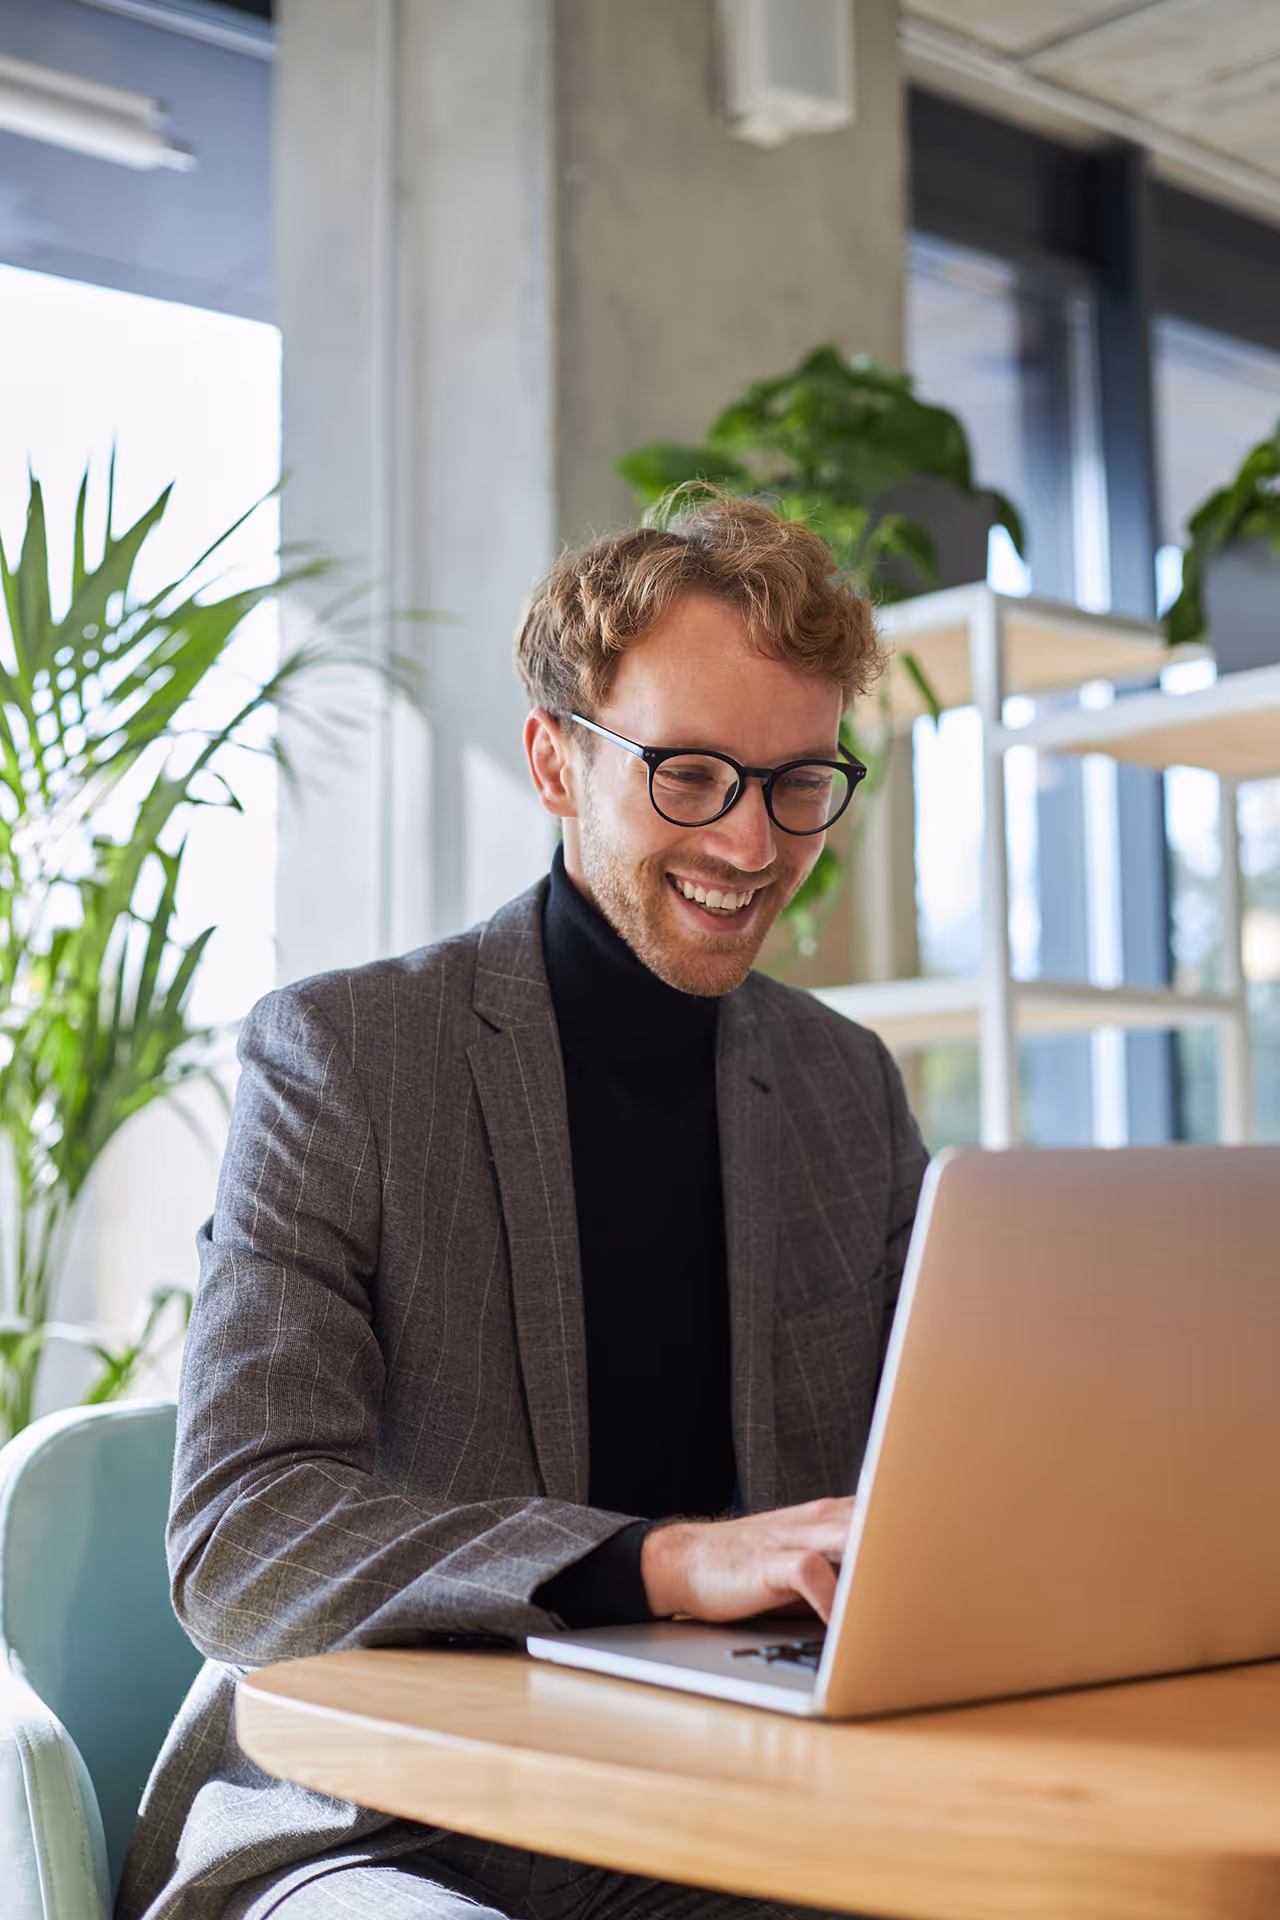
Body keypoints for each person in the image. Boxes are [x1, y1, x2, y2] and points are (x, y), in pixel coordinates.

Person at [119, 494, 928, 1920]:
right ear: (556, 760)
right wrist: (658, 1563)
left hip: (737, 1811)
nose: (752, 846)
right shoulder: (347, 1058)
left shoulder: (843, 1087)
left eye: (800, 781)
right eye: (691, 774)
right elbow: (240, 1536)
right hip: (387, 1820)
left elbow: (930, 1481)